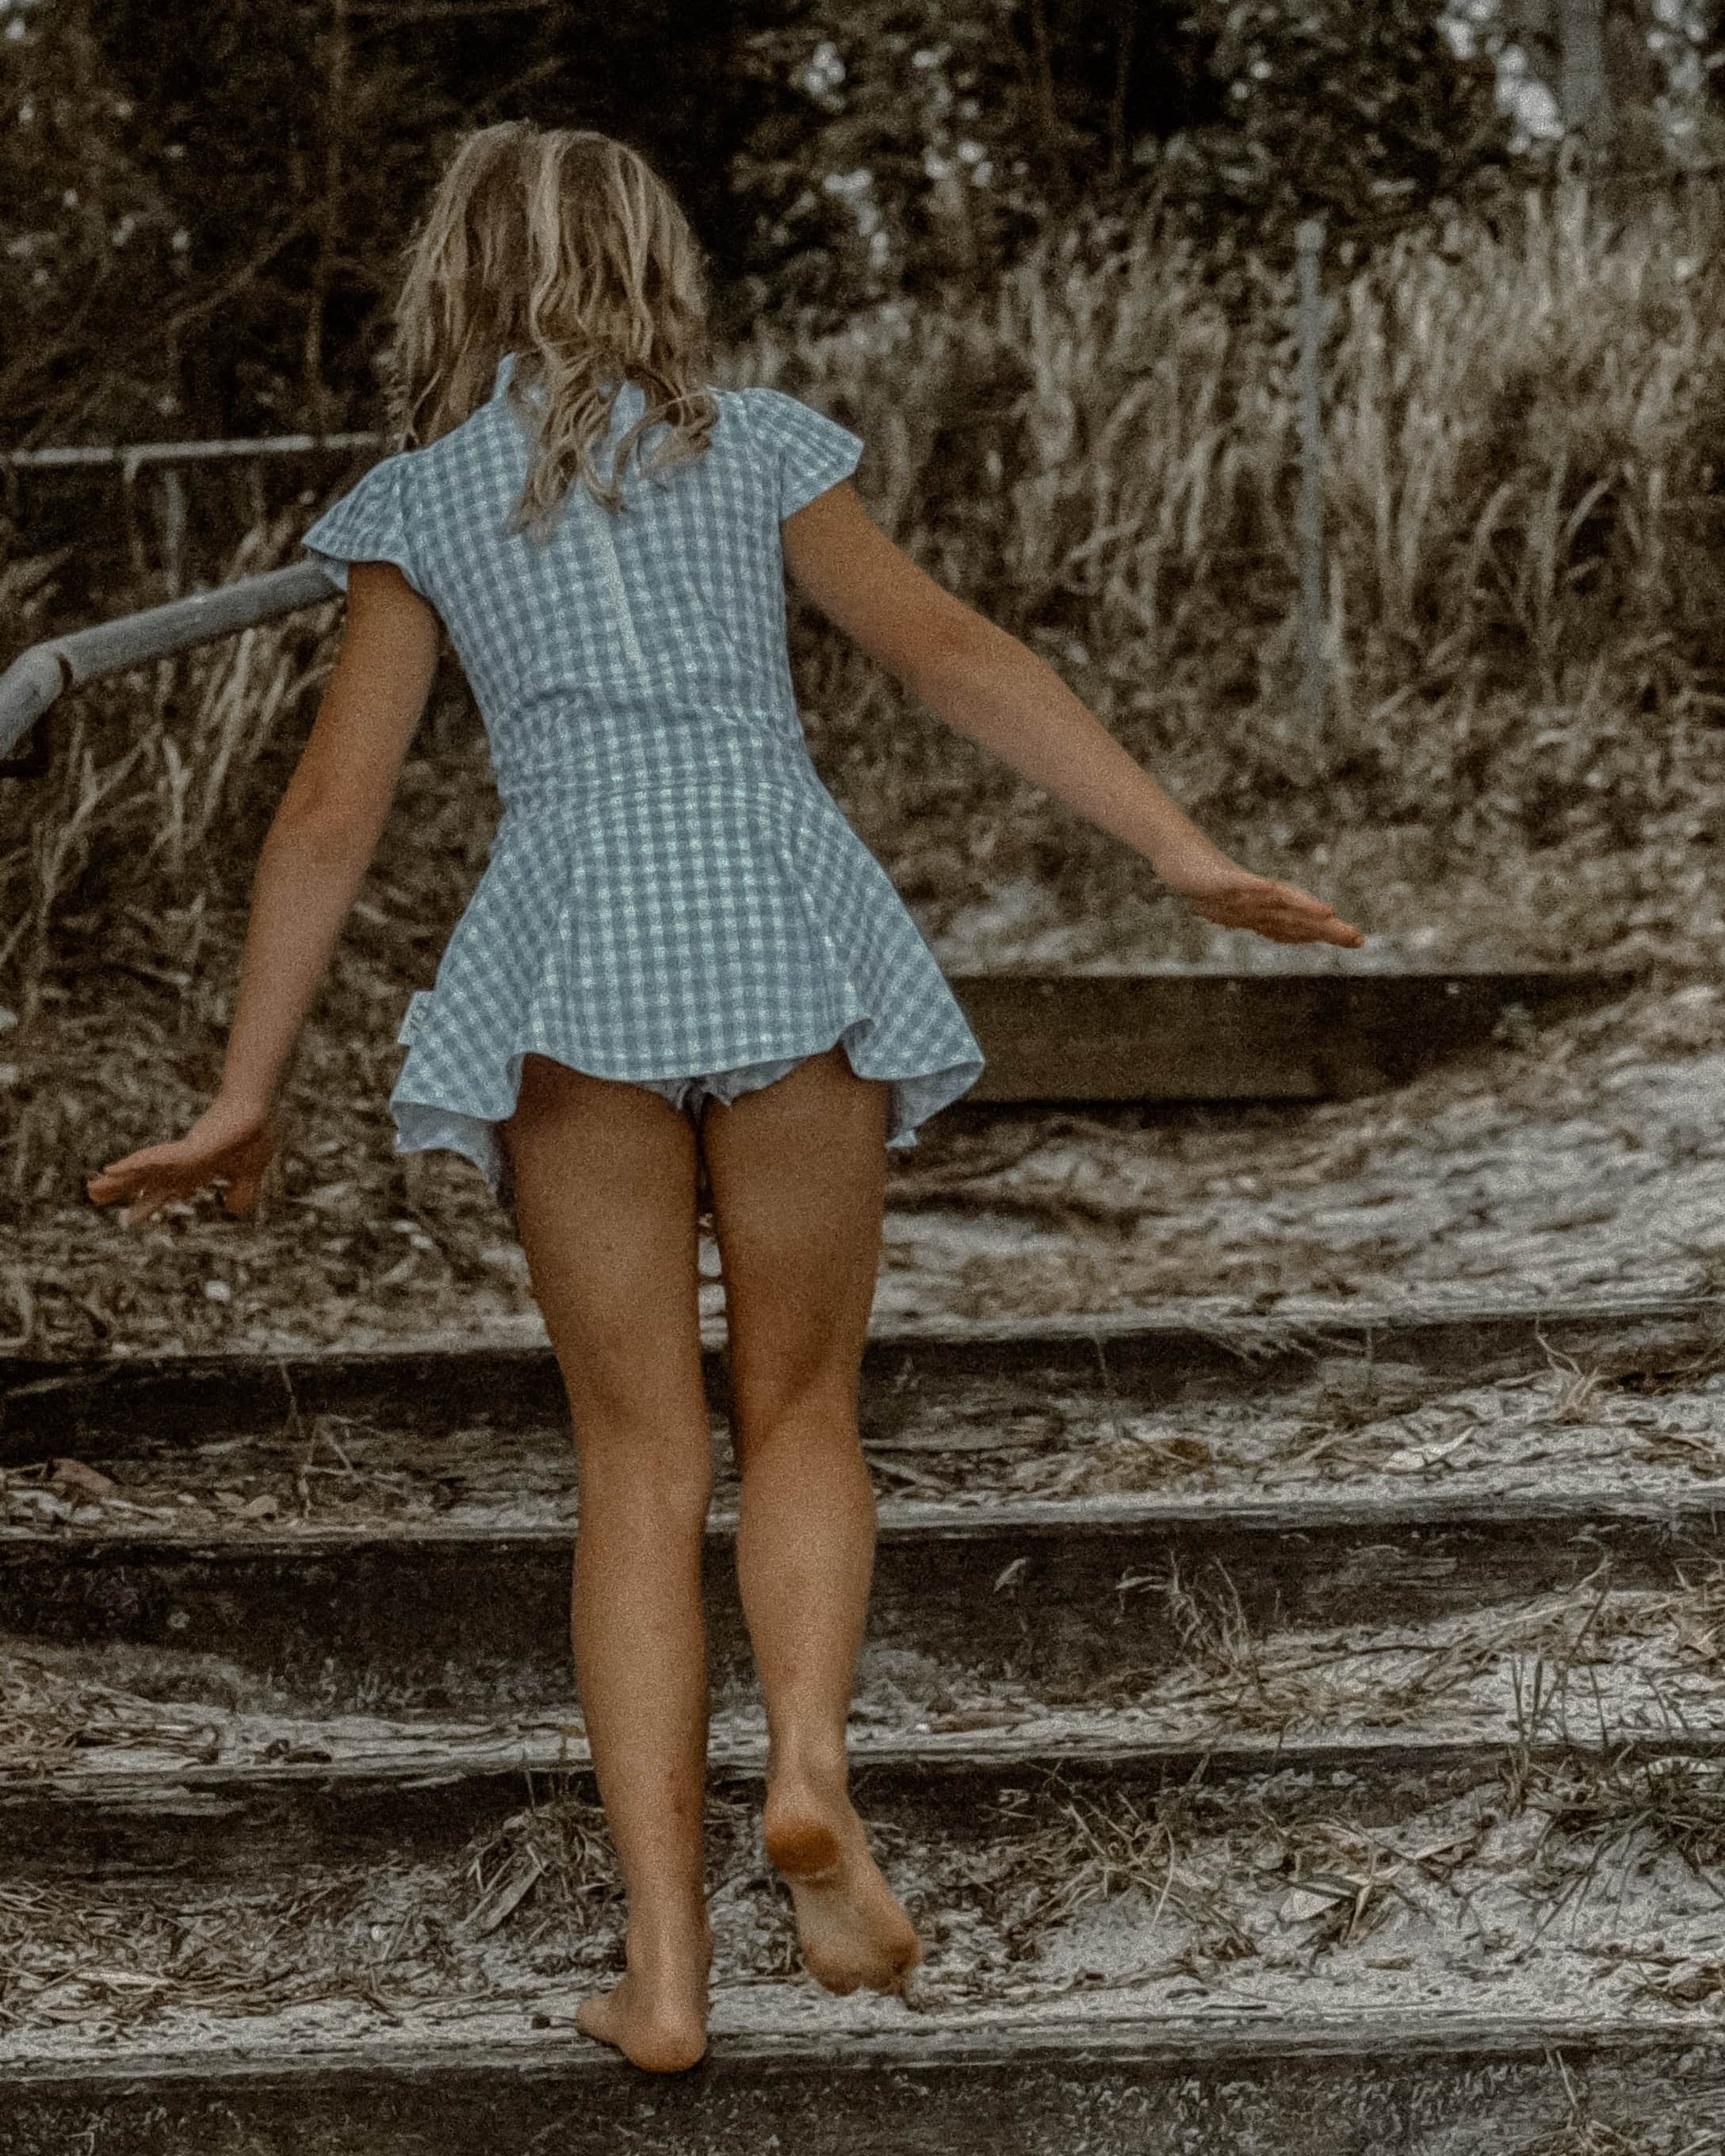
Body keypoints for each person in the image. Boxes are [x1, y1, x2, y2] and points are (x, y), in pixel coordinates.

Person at [86, 123, 1364, 2074]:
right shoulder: (756, 445)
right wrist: (1175, 852)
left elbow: (327, 816)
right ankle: (809, 1766)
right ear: (652, 263)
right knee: (799, 1405)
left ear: (464, 277)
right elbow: (948, 653)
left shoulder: (419, 504)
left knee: (636, 1460)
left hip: (571, 955)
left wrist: (247, 1090)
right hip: (775, 917)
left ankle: (664, 1970)